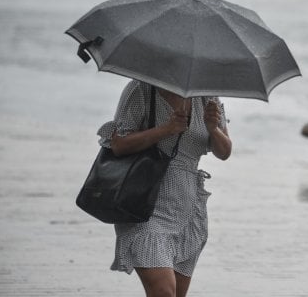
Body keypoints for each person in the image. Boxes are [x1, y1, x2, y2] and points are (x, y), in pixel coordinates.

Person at [97, 79, 232, 297]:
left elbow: (224, 152)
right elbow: (119, 145)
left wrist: (213, 129)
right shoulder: (140, 89)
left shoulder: (208, 97)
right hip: (144, 205)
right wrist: (166, 129)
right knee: (164, 293)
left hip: (188, 209)